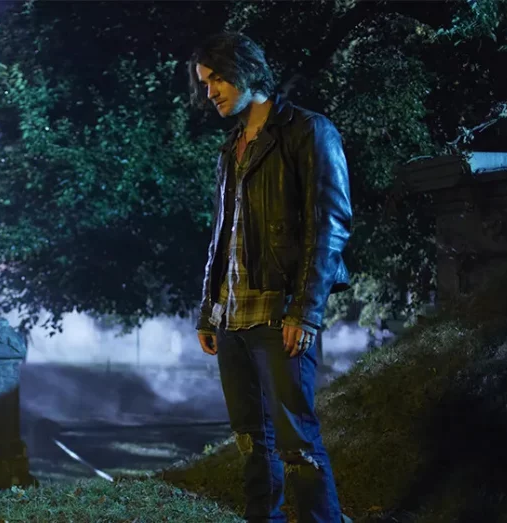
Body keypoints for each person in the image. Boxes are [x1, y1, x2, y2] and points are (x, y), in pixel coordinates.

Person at [189, 32, 353, 523]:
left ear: (245, 70)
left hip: (280, 314)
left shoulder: (308, 131)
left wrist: (306, 311)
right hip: (230, 318)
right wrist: (208, 311)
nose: (210, 92)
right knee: (251, 443)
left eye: (217, 79)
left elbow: (330, 224)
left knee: (296, 444)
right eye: (205, 83)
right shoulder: (230, 148)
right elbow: (223, 235)